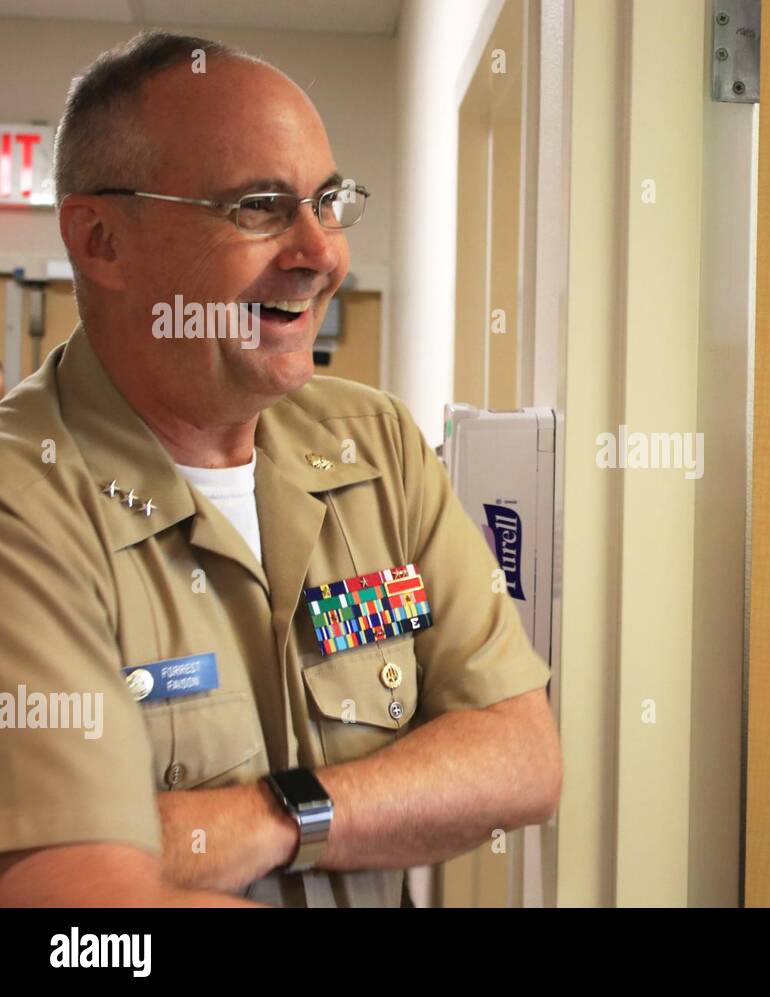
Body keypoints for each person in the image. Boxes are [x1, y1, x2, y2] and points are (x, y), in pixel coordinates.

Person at [0, 31, 560, 907]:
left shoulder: (374, 446)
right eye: (259, 206)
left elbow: (522, 754)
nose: (322, 253)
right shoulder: (26, 504)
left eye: (327, 202)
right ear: (103, 239)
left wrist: (275, 816)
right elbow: (80, 904)